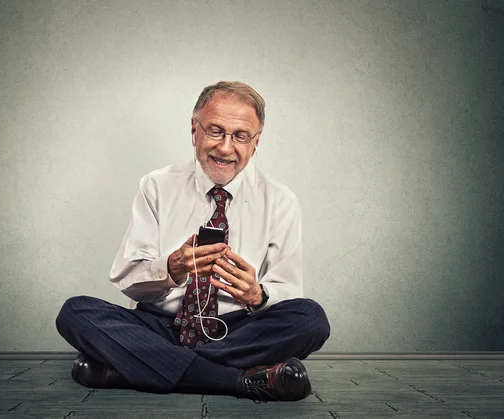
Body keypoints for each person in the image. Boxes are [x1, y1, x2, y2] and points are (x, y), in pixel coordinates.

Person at [56, 81, 330, 402]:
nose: (226, 148)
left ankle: (136, 366)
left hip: (238, 330)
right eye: (215, 130)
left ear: (256, 143)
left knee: (310, 319)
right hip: (158, 324)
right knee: (74, 312)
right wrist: (171, 268)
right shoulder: (156, 186)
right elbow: (126, 278)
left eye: (241, 136)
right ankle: (238, 381)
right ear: (194, 129)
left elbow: (288, 293)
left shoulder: (281, 200)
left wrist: (258, 295)